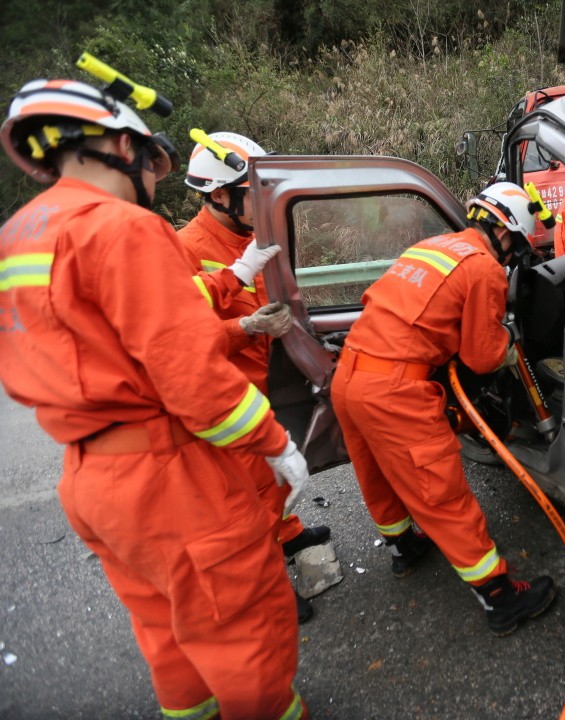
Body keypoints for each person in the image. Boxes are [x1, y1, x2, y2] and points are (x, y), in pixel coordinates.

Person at [0, 78, 310, 719]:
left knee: (167, 628)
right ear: (120, 145)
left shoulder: (18, 234)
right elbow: (189, 372)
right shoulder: (121, 228)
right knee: (244, 628)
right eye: (149, 161)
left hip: (88, 476)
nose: (152, 180)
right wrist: (273, 443)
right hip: (167, 474)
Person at [330, 181, 557, 636]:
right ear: (507, 234)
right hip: (395, 391)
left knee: (374, 470)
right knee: (440, 491)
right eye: (516, 251)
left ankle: (403, 547)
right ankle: (499, 597)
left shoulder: (430, 247)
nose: (512, 262)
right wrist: (508, 345)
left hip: (349, 376)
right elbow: (480, 356)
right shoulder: (484, 270)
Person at [178, 130, 331, 623]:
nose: (264, 200)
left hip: (270, 381)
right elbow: (176, 343)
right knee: (249, 500)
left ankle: (286, 535)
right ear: (220, 194)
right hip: (227, 396)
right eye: (254, 191)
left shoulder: (257, 235)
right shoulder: (185, 249)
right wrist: (243, 328)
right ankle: (265, 588)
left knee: (277, 479)